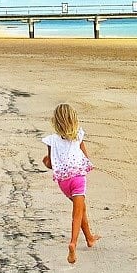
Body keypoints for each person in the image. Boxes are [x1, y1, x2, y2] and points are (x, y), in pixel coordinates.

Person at [42, 103, 100, 263]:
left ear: (56, 121)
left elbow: (51, 164)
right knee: (77, 213)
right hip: (78, 179)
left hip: (63, 182)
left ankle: (89, 238)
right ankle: (73, 243)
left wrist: (45, 161)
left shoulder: (51, 140)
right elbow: (85, 157)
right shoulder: (78, 135)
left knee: (82, 208)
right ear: (74, 120)